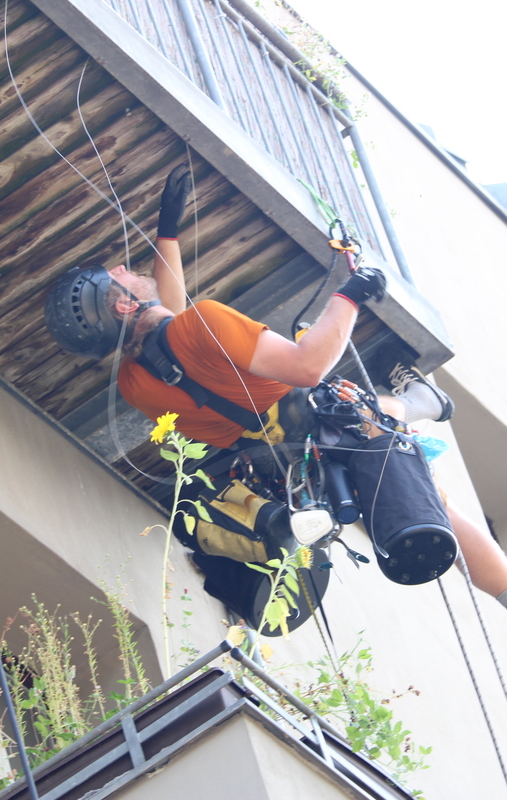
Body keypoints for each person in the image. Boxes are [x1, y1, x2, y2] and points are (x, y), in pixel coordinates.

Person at [45, 167, 507, 608]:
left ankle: (418, 404)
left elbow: (171, 322)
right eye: (118, 275)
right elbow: (308, 366)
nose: (123, 266)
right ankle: (417, 402)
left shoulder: (135, 384)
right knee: (439, 506)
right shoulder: (204, 321)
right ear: (125, 306)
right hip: (331, 425)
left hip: (286, 470)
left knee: (432, 513)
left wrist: (167, 231)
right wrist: (352, 294)